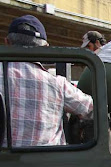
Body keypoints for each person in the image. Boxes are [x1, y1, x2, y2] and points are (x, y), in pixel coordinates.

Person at [1, 15, 93, 148]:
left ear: (7, 42)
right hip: (48, 165)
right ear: (46, 48)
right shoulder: (58, 85)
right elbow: (92, 110)